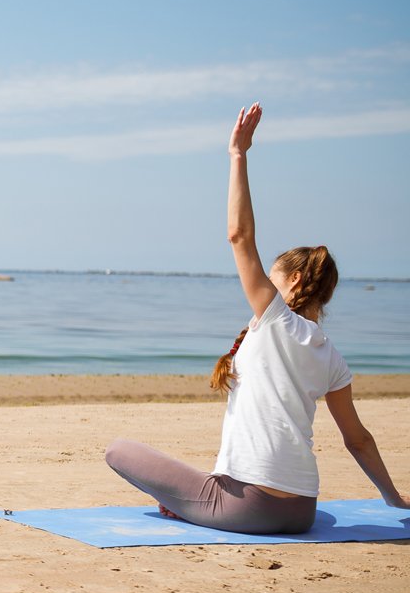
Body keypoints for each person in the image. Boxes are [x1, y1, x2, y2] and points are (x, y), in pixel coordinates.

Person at [104, 103, 407, 534]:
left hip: (249, 509)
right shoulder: (332, 357)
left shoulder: (275, 319)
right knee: (206, 485)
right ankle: (191, 501)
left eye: (272, 278)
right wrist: (393, 498)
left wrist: (238, 155)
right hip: (302, 511)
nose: (262, 285)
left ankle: (189, 503)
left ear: (295, 280)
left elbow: (239, 236)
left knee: (118, 449)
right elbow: (357, 439)